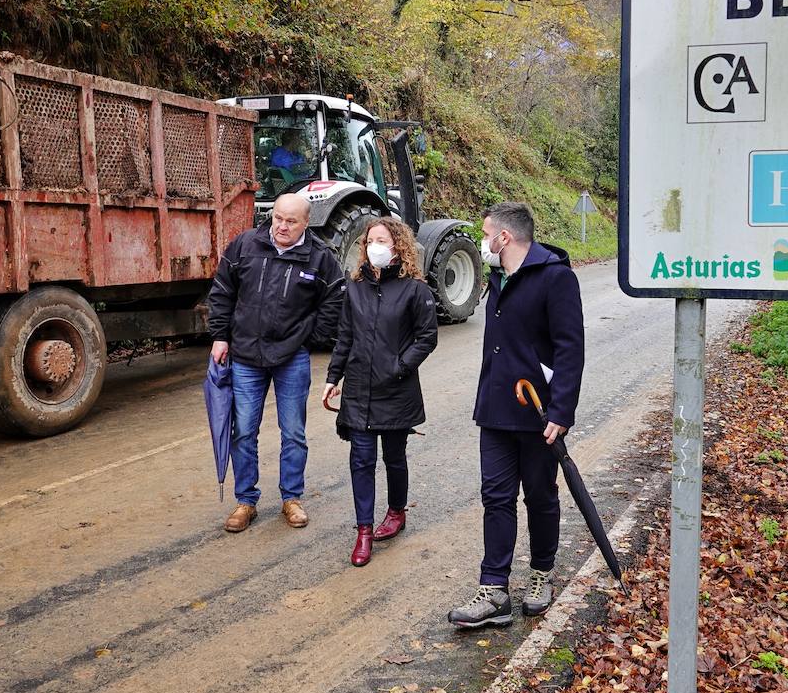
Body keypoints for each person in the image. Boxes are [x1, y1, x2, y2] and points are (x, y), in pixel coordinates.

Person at [448, 202, 584, 629]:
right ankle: (494, 590)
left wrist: (561, 410)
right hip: (495, 410)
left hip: (540, 413)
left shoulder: (555, 278)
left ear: (503, 237)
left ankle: (542, 574)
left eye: (486, 233)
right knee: (496, 498)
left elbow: (570, 349)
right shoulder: (497, 277)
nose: (482, 240)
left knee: (540, 497)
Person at [206, 192, 345, 532]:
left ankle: (291, 498)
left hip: (291, 358)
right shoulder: (245, 245)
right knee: (243, 433)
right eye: (278, 218)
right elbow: (222, 291)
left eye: (291, 221)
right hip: (246, 356)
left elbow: (334, 300)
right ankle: (245, 502)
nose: (281, 226)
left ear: (305, 223)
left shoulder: (319, 257)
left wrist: (309, 339)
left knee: (294, 433)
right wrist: (220, 336)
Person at [324, 217, 439, 566]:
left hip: (396, 390)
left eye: (383, 241)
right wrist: (333, 377)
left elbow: (427, 338)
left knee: (393, 457)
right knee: (361, 460)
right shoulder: (354, 286)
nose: (375, 246)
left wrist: (399, 367)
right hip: (358, 390)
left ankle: (396, 511)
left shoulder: (415, 290)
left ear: (397, 247)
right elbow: (345, 336)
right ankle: (363, 531)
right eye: (370, 240)